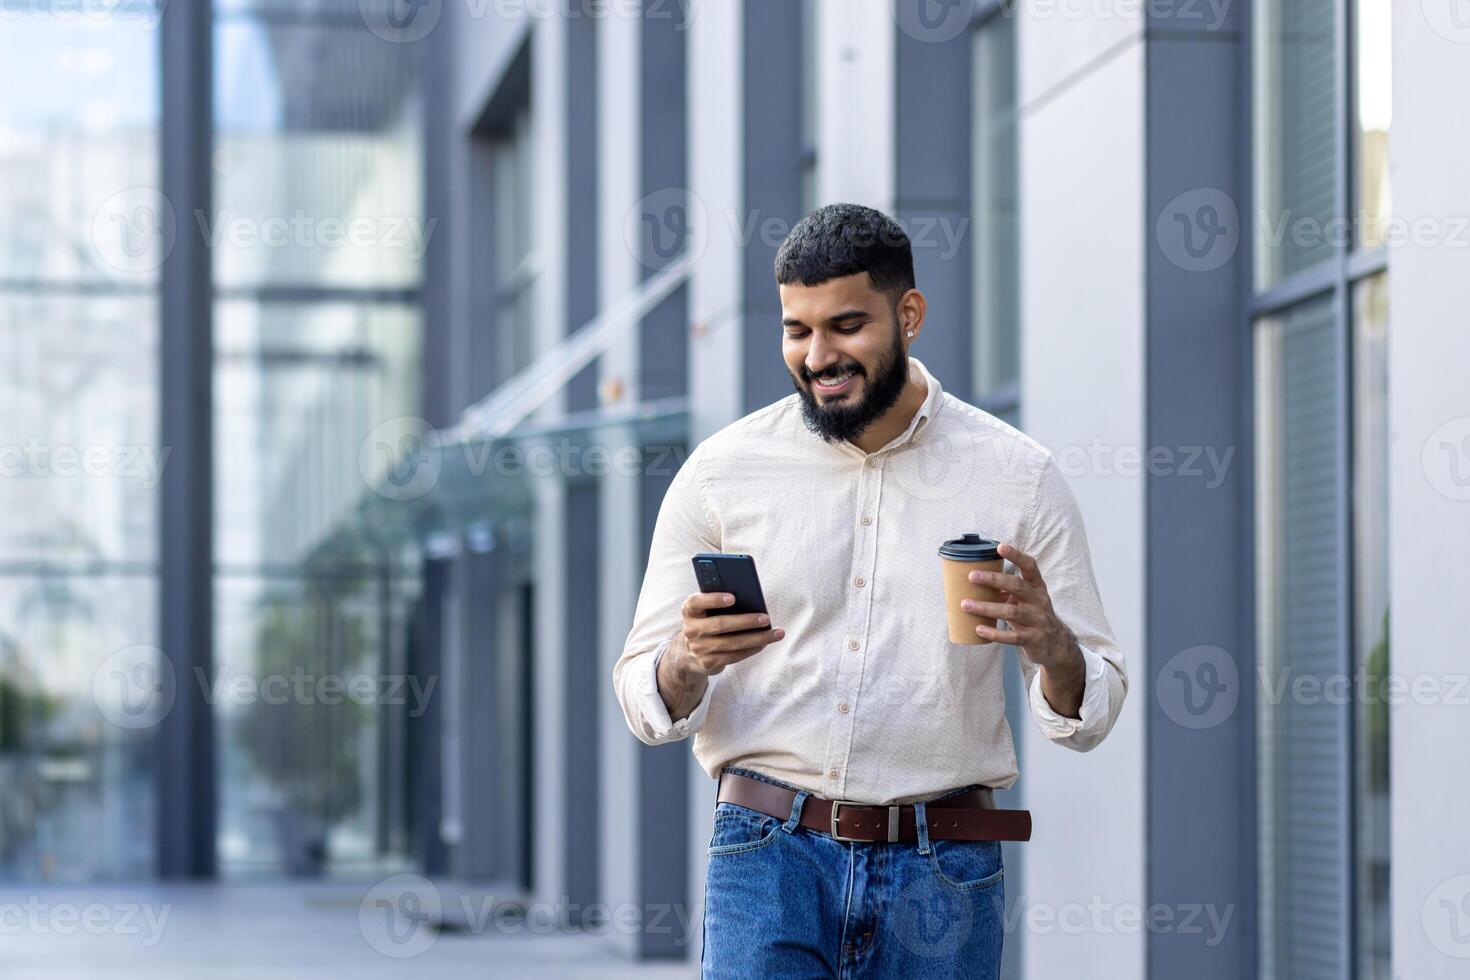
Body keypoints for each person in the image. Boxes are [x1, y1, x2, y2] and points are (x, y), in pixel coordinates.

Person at [612, 203, 1127, 978]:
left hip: (945, 870)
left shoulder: (1017, 476)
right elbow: (640, 694)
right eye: (797, 330)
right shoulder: (721, 473)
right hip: (766, 858)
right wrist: (686, 660)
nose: (818, 355)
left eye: (846, 326)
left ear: (909, 314)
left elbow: (1095, 706)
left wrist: (1052, 645)